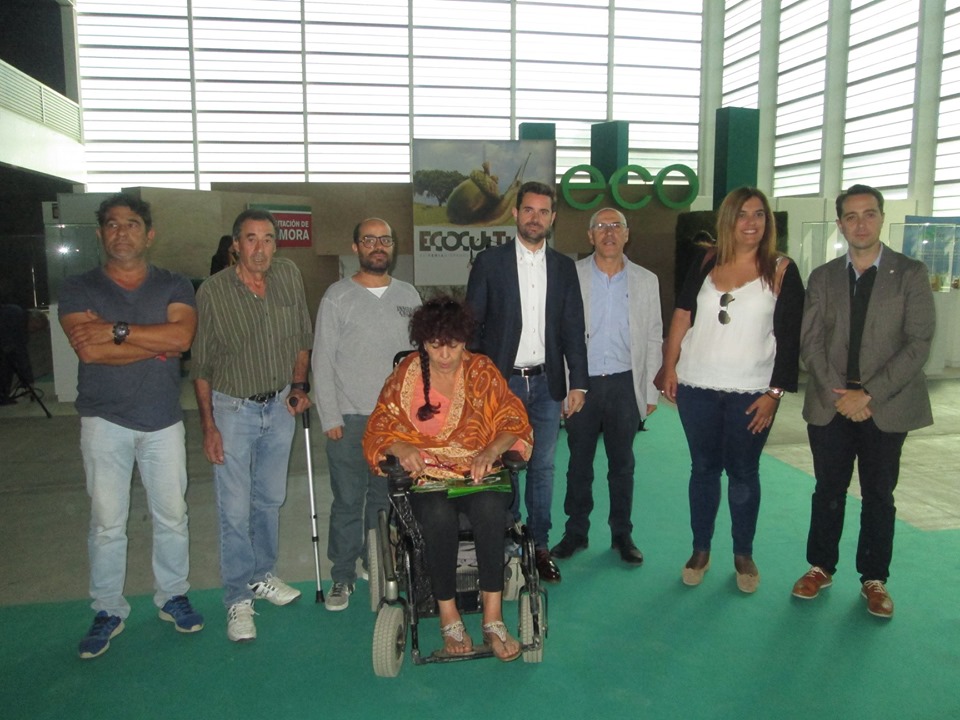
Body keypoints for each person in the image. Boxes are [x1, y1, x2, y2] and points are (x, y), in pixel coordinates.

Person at [59, 193, 203, 659]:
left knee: (173, 516)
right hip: (104, 421)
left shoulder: (174, 283)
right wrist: (153, 342)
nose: (123, 233)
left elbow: (181, 338)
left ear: (149, 233)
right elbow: (89, 351)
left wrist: (116, 330)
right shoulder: (79, 287)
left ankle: (173, 596)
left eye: (132, 224)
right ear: (101, 234)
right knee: (106, 522)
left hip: (163, 422)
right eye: (113, 225)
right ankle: (107, 609)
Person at [791, 184, 935, 618]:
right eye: (851, 216)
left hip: (885, 406)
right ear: (840, 224)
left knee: (878, 494)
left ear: (881, 218)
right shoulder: (823, 277)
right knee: (828, 489)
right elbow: (810, 342)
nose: (860, 223)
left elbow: (919, 341)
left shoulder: (910, 274)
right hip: (831, 403)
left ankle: (874, 579)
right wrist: (842, 396)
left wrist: (868, 395)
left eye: (868, 214)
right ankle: (820, 567)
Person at [363, 296, 533, 661]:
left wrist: (491, 450)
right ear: (423, 343)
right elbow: (379, 426)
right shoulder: (406, 374)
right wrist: (400, 446)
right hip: (426, 477)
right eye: (435, 346)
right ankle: (448, 613)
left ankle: (492, 616)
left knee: (491, 509)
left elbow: (513, 421)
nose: (444, 355)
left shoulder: (482, 371)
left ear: (464, 341)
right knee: (438, 516)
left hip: (477, 471)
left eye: (453, 346)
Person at [656, 187, 804, 593]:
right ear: (728, 220)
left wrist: (774, 395)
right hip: (697, 386)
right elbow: (683, 313)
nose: (751, 223)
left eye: (759, 214)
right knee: (702, 469)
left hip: (751, 393)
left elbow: (790, 340)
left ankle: (743, 553)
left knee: (742, 473)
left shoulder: (782, 269)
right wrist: (670, 366)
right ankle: (700, 549)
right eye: (742, 214)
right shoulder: (706, 261)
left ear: (768, 222)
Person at [192, 208, 313, 642]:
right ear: (236, 245)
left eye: (267, 239)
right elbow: (202, 365)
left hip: (279, 406)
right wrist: (209, 426)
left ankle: (263, 576)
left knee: (270, 499)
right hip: (232, 410)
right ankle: (236, 599)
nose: (259, 248)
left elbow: (302, 336)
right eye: (250, 239)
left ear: (276, 244)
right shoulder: (212, 292)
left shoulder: (288, 276)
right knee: (235, 508)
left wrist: (299, 385)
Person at [465, 180, 589, 584]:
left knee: (543, 466)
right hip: (504, 386)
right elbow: (472, 328)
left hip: (548, 385)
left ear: (552, 219)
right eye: (529, 210)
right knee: (504, 464)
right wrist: (481, 380)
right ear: (516, 214)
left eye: (543, 212)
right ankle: (507, 539)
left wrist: (578, 383)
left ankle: (538, 546)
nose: (535, 218)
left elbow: (573, 328)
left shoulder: (564, 267)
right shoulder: (490, 263)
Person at [312, 217, 421, 611]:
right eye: (369, 239)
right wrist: (330, 418)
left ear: (393, 246)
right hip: (351, 419)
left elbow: (421, 361)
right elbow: (321, 361)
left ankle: (374, 564)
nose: (378, 246)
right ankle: (342, 575)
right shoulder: (337, 297)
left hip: (395, 425)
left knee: (384, 502)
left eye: (385, 239)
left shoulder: (409, 294)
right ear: (355, 247)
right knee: (347, 501)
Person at [550, 208, 662, 566]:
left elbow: (654, 337)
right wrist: (566, 386)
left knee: (622, 465)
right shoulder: (571, 276)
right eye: (601, 227)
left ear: (627, 234)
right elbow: (559, 333)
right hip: (581, 386)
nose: (609, 232)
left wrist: (650, 391)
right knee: (578, 464)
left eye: (616, 226)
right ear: (590, 236)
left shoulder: (647, 280)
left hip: (625, 385)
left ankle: (621, 534)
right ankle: (575, 532)